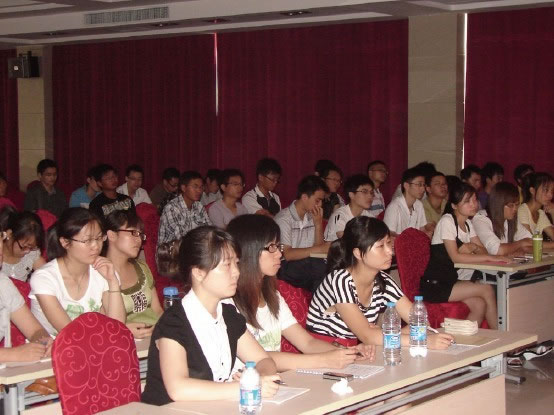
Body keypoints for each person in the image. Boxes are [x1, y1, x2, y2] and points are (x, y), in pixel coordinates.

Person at [141, 226, 279, 405]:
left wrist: (259, 377)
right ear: (198, 272)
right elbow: (178, 389)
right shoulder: (174, 322)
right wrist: (245, 386)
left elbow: (263, 360)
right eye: (227, 265)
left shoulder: (228, 315)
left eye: (236, 263)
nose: (236, 272)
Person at [227, 214, 374, 371]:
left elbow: (307, 343)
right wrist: (324, 360)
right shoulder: (228, 304)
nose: (279, 254)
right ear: (249, 251)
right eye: (271, 247)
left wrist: (349, 353)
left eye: (278, 246)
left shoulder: (273, 296)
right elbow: (260, 357)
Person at [307, 216, 453, 348]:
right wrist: (421, 340)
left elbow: (420, 322)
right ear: (358, 253)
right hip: (324, 353)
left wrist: (384, 336)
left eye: (389, 243)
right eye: (381, 246)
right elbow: (367, 336)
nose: (390, 251)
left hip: (355, 352)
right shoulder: (340, 280)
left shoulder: (383, 280)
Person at [420, 182, 509, 329]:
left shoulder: (468, 223)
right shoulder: (447, 221)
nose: (473, 204)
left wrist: (474, 247)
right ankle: (502, 337)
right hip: (435, 285)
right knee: (486, 288)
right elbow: (456, 257)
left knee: (479, 304)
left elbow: (483, 251)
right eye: (467, 201)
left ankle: (460, 340)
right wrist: (490, 257)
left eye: (474, 199)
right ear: (454, 205)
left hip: (450, 280)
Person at [29, 207, 125, 336]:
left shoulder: (103, 271)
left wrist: (112, 281)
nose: (96, 246)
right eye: (87, 240)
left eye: (99, 238)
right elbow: (71, 334)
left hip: (95, 342)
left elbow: (117, 328)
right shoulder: (44, 278)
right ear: (65, 242)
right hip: (54, 346)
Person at [104, 210, 163, 339]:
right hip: (121, 340)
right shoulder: (99, 274)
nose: (139, 239)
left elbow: (157, 310)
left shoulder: (142, 267)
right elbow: (99, 322)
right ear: (112, 235)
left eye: (140, 235)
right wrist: (124, 330)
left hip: (155, 336)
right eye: (133, 233)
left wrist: (163, 328)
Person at [0, 218, 51, 362]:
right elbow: (15, 354)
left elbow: (34, 329)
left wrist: (43, 342)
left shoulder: (3, 284)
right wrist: (12, 354)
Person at [275, 175, 330, 292]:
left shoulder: (312, 215)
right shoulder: (284, 219)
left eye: (321, 201)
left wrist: (318, 224)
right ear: (304, 197)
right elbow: (287, 254)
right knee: (319, 267)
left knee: (325, 266)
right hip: (284, 266)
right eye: (317, 200)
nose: (320, 205)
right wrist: (320, 249)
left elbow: (319, 249)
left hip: (307, 264)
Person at [472, 182, 533, 255]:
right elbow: (497, 250)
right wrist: (521, 244)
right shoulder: (481, 219)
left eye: (517, 205)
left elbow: (531, 242)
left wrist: (519, 249)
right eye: (510, 205)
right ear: (498, 204)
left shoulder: (511, 218)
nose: (515, 209)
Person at [157, 170, 212, 246]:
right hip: (172, 251)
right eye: (195, 187)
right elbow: (181, 239)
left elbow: (209, 230)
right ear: (183, 188)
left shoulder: (199, 206)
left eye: (201, 187)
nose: (199, 191)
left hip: (194, 248)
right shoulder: (172, 208)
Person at [383, 167, 433, 238]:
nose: (423, 189)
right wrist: (407, 240)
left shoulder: (419, 205)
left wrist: (427, 233)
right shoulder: (394, 206)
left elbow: (422, 229)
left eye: (424, 185)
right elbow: (389, 233)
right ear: (406, 185)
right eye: (419, 184)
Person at [0, 207, 45, 282]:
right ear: (9, 234)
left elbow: (47, 274)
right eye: (24, 247)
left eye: (32, 247)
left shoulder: (31, 254)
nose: (27, 251)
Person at [325, 174, 374, 242]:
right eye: (364, 192)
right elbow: (344, 238)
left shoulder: (370, 217)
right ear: (351, 195)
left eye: (371, 192)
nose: (370, 196)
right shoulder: (340, 215)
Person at [518, 172, 554, 243]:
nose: (550, 195)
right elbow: (529, 242)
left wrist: (553, 212)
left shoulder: (541, 213)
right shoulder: (522, 210)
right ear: (532, 191)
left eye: (552, 191)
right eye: (546, 190)